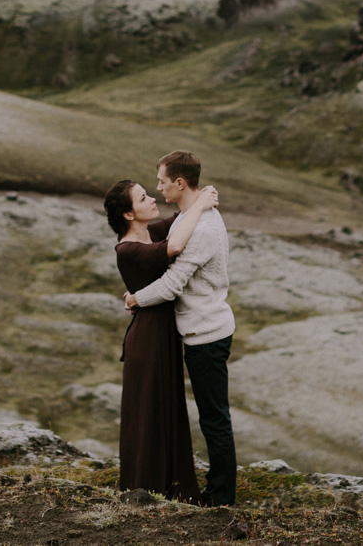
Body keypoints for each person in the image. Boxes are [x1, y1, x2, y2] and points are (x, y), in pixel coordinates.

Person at [124, 149, 236, 507]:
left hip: (206, 335)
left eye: (160, 181)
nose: (158, 188)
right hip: (206, 328)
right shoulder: (192, 216)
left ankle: (220, 497)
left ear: (179, 182)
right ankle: (217, 489)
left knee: (214, 418)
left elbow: (172, 285)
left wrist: (136, 299)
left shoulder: (199, 228)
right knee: (212, 415)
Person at [105, 177, 218, 503]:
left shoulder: (150, 231)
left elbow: (180, 219)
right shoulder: (128, 249)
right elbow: (174, 246)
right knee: (149, 412)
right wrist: (200, 204)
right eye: (143, 198)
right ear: (128, 214)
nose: (152, 199)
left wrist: (201, 194)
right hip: (148, 341)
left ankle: (169, 487)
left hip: (162, 336)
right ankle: (145, 488)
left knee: (167, 407)